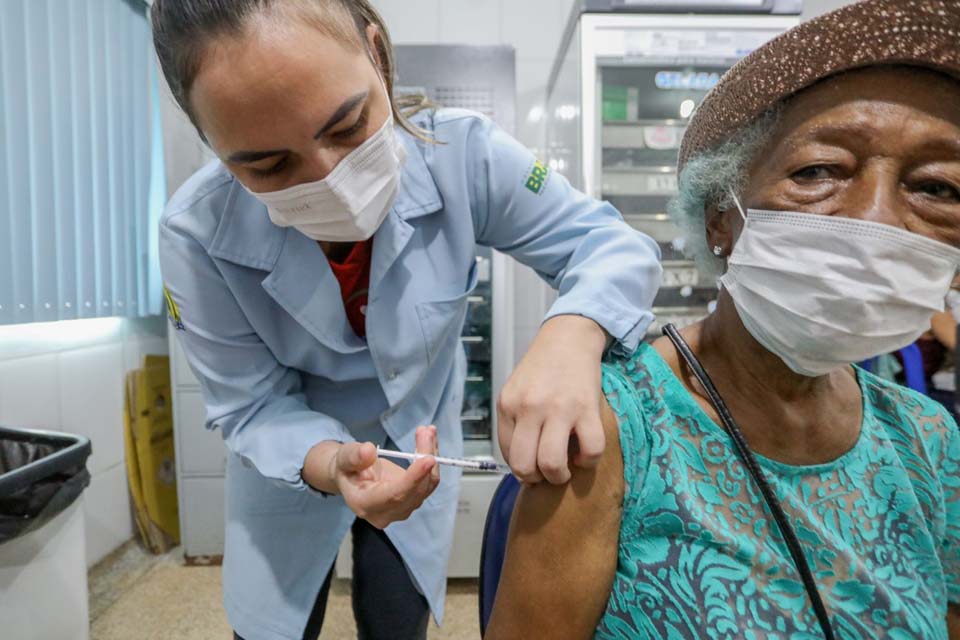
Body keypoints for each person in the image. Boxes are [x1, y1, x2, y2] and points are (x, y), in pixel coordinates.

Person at [150, 1, 661, 639]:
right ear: (214, 145)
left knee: (395, 620)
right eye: (268, 166)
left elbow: (612, 247)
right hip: (291, 462)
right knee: (273, 624)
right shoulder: (195, 232)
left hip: (422, 449)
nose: (328, 180)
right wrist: (332, 463)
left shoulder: (463, 155)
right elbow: (250, 407)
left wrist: (572, 334)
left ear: (378, 56)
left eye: (346, 125)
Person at [486, 1, 960, 638]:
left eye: (936, 187)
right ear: (720, 217)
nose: (875, 219)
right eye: (817, 172)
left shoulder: (930, 442)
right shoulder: (614, 431)